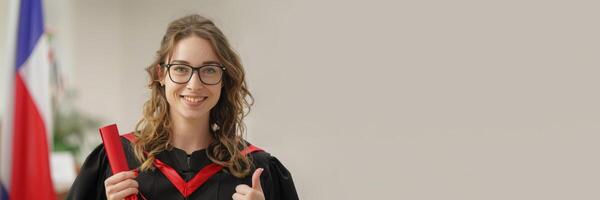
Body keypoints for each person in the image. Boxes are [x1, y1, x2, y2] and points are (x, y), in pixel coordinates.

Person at [67, 14, 299, 200]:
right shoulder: (117, 162)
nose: (194, 84)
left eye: (209, 69)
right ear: (161, 74)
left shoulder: (255, 170)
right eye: (180, 68)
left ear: (223, 79)